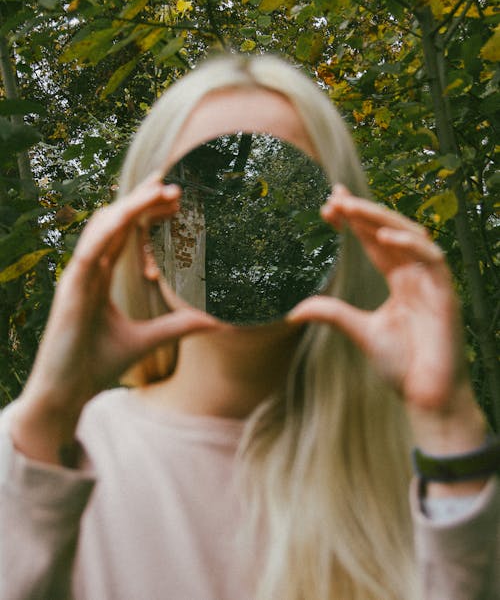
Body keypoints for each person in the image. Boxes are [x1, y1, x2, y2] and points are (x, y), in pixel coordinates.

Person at [1, 54, 498, 600]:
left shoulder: (423, 473)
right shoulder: (54, 459)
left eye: (288, 194)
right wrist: (48, 413)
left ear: (347, 231)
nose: (234, 221)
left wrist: (449, 420)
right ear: (145, 242)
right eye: (192, 196)